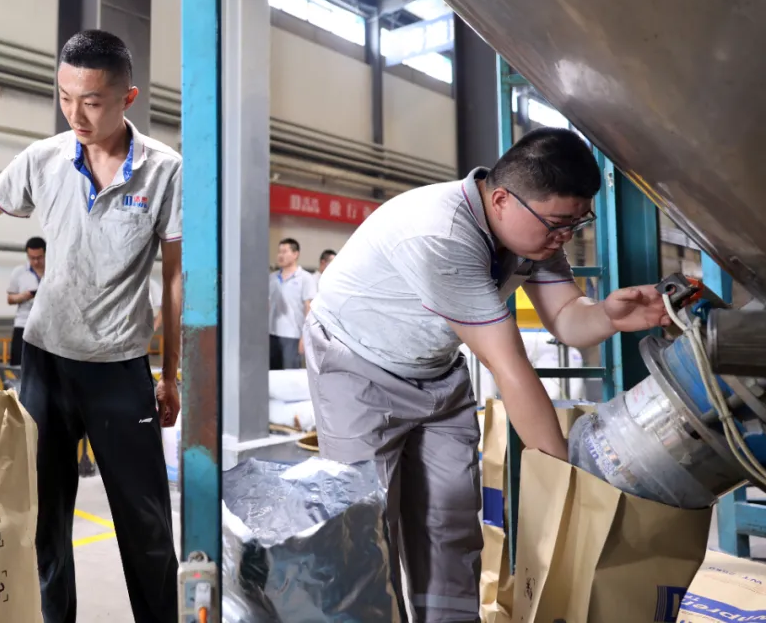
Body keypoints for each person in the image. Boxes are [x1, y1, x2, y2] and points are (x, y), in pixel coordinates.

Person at [304, 127, 671, 623]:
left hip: (435, 371)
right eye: (559, 224)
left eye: (576, 223)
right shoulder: (441, 235)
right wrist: (569, 487)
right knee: (367, 527)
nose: (565, 237)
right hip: (357, 368)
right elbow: (509, 365)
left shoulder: (533, 232)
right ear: (501, 200)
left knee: (451, 520)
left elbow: (567, 319)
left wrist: (608, 314)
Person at [0, 29, 182, 623]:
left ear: (128, 97)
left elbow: (173, 280)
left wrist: (170, 375)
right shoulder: (43, 159)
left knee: (146, 527)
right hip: (46, 365)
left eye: (91, 101)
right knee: (42, 523)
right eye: (64, 97)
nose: (75, 114)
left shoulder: (164, 171)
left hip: (120, 368)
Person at [269, 238, 317, 370]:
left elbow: (309, 308)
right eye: (279, 252)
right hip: (272, 334)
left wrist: (305, 337)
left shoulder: (305, 278)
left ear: (295, 254)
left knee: (289, 375)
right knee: (272, 374)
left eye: (285, 252)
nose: (280, 255)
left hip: (293, 336)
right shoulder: (272, 278)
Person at [6, 236, 45, 367]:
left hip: (47, 327)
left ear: (46, 254)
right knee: (19, 365)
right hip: (23, 324)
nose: (36, 261)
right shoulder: (19, 272)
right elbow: (10, 299)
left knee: (45, 368)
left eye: (39, 257)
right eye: (32, 258)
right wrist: (24, 296)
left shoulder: (54, 272)